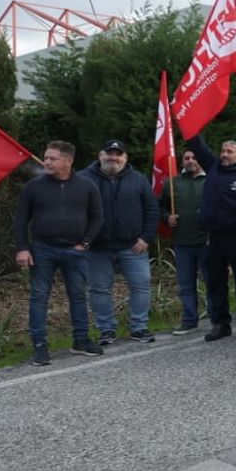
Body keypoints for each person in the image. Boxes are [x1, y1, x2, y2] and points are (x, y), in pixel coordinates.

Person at [13, 141, 105, 365]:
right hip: (42, 249)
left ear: (68, 161)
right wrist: (22, 248)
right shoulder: (34, 187)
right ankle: (40, 347)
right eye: (46, 158)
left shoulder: (87, 186)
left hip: (75, 250)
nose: (46, 162)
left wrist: (85, 243)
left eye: (53, 159)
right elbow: (21, 219)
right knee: (39, 297)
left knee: (78, 296)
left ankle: (81, 341)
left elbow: (97, 217)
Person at [185, 132, 236, 341]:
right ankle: (220, 323)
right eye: (223, 151)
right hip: (214, 236)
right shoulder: (213, 168)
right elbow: (199, 148)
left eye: (229, 152)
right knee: (215, 282)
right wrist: (189, 128)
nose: (224, 155)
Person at [78, 140, 158, 344]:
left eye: (118, 154)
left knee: (141, 285)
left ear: (125, 158)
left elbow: (152, 210)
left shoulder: (138, 180)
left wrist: (145, 238)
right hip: (97, 248)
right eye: (109, 153)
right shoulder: (82, 179)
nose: (113, 157)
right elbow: (74, 211)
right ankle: (106, 329)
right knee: (99, 289)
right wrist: (82, 240)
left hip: (133, 246)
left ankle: (139, 327)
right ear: (100, 155)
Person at [165, 148, 208, 334]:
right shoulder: (173, 184)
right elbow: (160, 206)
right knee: (185, 284)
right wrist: (167, 217)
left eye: (194, 157)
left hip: (207, 240)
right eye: (186, 158)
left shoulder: (210, 180)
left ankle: (217, 317)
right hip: (182, 242)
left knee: (211, 280)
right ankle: (190, 319)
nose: (190, 161)